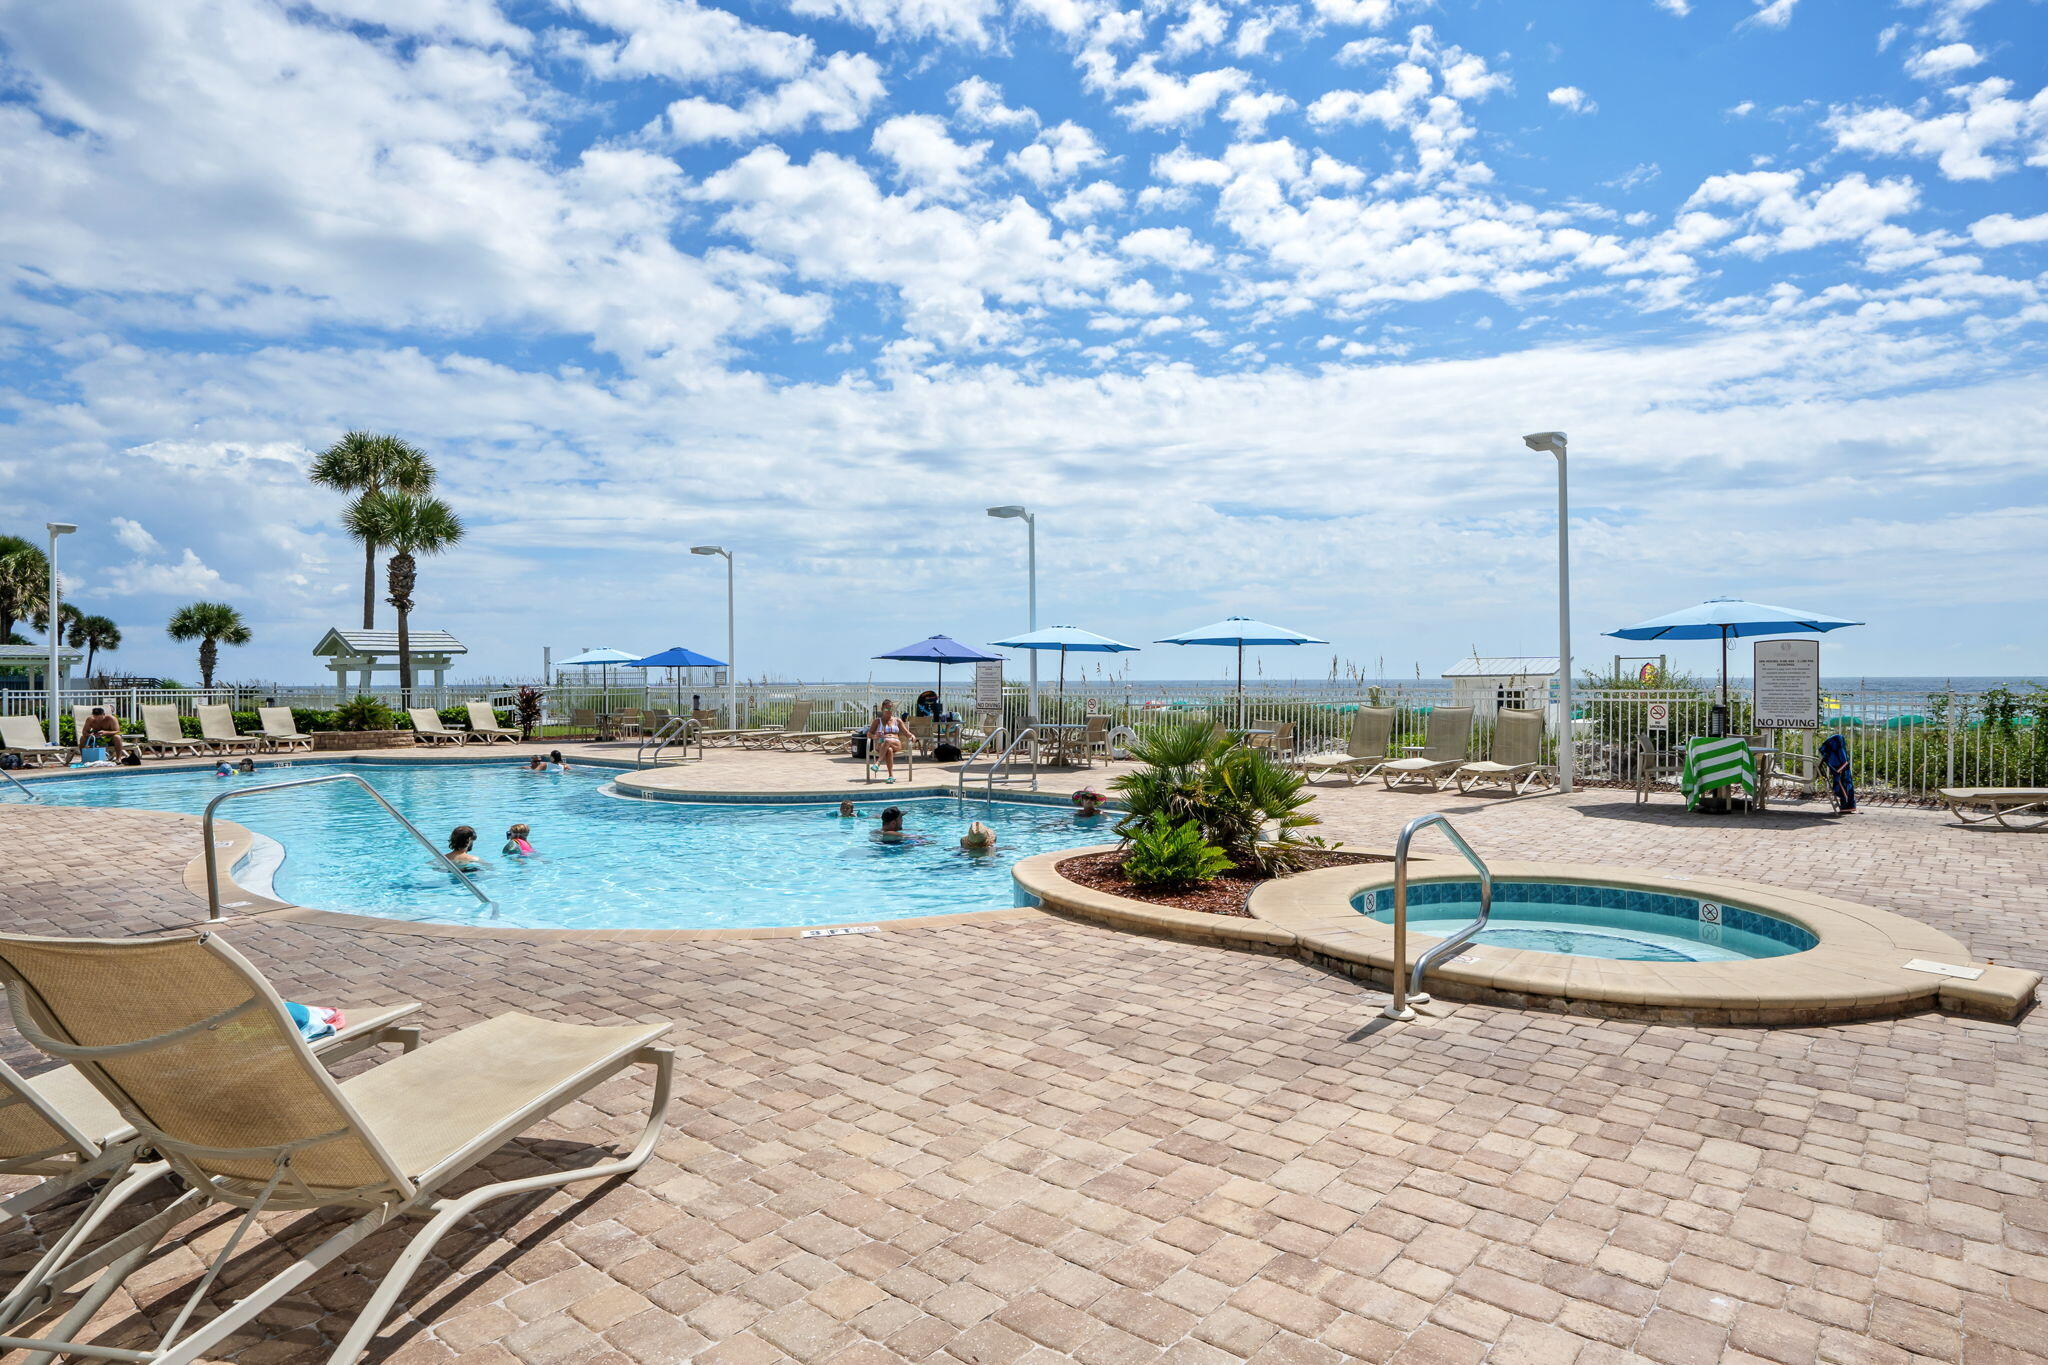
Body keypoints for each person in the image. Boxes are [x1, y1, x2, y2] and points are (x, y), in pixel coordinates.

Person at [867, 700, 909, 783]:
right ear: (882, 709)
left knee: (887, 741)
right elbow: (869, 734)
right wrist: (875, 736)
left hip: (896, 744)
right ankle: (891, 776)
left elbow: (906, 733)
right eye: (887, 709)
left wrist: (912, 736)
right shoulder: (877, 721)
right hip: (881, 744)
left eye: (891, 709)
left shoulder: (898, 721)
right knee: (888, 749)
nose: (889, 711)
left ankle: (878, 763)